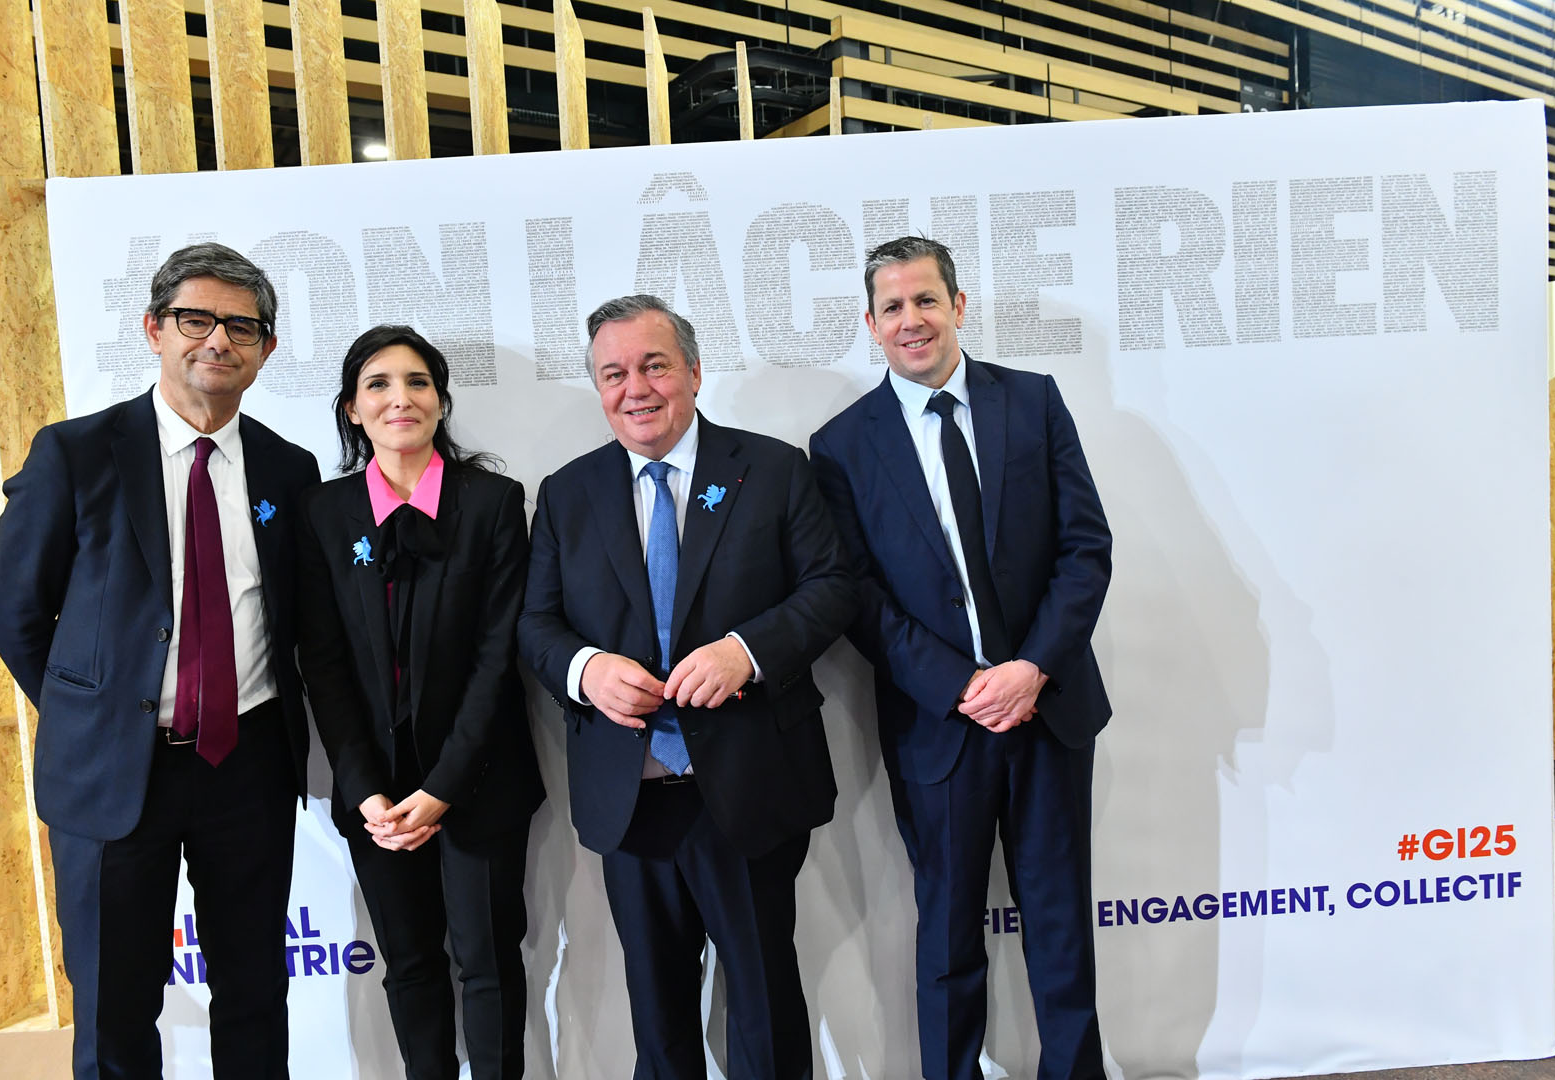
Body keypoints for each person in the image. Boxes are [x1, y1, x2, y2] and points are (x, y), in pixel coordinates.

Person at [0, 242, 319, 1079]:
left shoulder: (290, 469)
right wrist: (97, 711)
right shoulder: (75, 454)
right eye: (195, 319)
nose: (219, 340)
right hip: (110, 771)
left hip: (247, 764)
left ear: (267, 348)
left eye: (242, 326)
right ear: (154, 330)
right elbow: (17, 613)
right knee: (115, 1002)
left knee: (255, 990)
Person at [518, 294, 855, 1079]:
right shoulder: (568, 493)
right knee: (659, 1023)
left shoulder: (773, 469)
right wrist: (587, 670)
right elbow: (535, 624)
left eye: (654, 366)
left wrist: (746, 651)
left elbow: (832, 587)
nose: (635, 388)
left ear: (695, 372)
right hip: (631, 795)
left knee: (764, 1010)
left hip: (749, 783)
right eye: (614, 373)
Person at [809, 237, 1113, 1080]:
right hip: (939, 724)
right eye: (893, 307)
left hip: (1047, 709)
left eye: (926, 300)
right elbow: (857, 595)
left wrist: (1032, 668)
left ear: (958, 306)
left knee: (1060, 923)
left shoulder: (1034, 402)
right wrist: (963, 685)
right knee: (946, 935)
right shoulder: (840, 445)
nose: (912, 320)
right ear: (871, 323)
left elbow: (1085, 549)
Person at [295, 324, 544, 1079]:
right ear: (352, 408)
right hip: (375, 790)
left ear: (440, 400)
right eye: (377, 384)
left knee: (487, 960)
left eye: (417, 382)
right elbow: (323, 664)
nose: (399, 398)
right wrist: (365, 789)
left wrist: (443, 788)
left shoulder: (492, 502)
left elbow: (497, 659)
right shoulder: (323, 513)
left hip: (479, 779)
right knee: (408, 964)